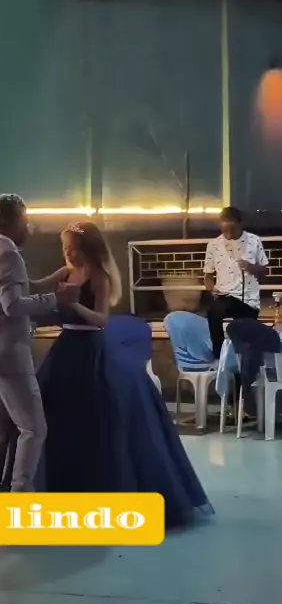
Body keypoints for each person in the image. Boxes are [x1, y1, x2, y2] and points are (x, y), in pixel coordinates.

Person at [33, 221, 213, 529]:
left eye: (73, 248)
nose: (68, 253)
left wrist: (73, 304)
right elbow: (36, 285)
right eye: (65, 248)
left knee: (98, 417)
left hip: (90, 348)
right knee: (55, 414)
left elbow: (101, 319)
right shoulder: (64, 273)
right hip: (65, 350)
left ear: (87, 249)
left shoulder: (98, 277)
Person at [0, 193, 78, 493]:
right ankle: (21, 491)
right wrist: (56, 299)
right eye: (26, 221)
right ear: (15, 221)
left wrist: (48, 282)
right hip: (8, 357)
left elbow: (13, 292)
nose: (29, 228)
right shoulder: (9, 255)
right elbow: (13, 305)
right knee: (34, 428)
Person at [204, 207, 268, 359]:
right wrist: (211, 289)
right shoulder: (213, 245)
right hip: (224, 296)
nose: (229, 234)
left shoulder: (254, 241)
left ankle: (246, 364)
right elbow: (208, 277)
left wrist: (251, 267)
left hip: (248, 299)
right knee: (213, 312)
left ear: (240, 224)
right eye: (224, 230)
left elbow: (264, 270)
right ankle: (219, 356)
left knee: (246, 339)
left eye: (232, 229)